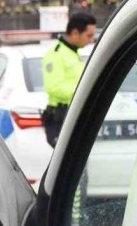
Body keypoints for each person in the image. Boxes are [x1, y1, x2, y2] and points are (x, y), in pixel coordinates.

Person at [41, 12, 97, 147]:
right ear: (75, 33)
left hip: (73, 113)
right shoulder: (57, 54)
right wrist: (85, 91)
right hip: (61, 117)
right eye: (89, 35)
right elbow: (54, 87)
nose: (92, 40)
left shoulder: (72, 53)